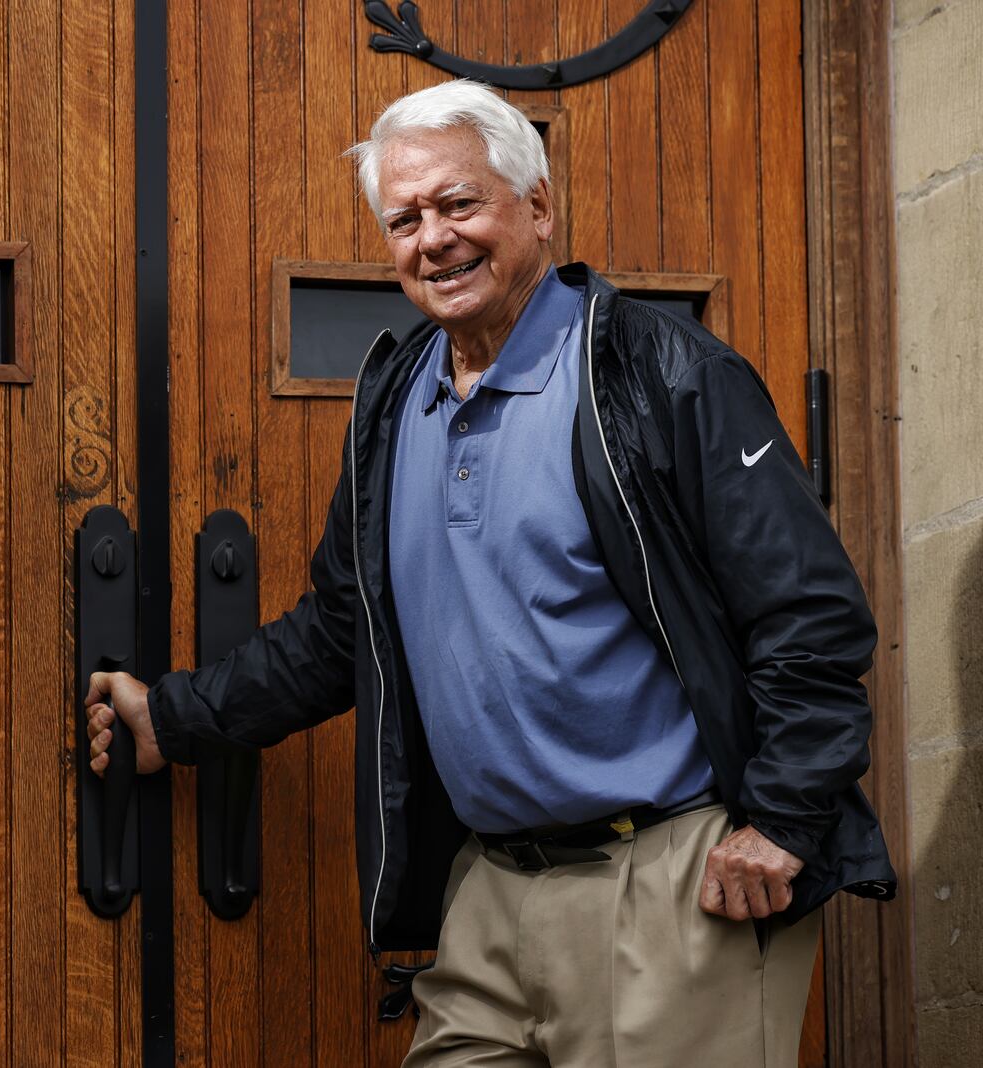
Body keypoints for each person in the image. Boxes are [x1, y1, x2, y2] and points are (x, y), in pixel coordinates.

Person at [85, 80, 895, 1067]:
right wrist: (176, 722)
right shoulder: (396, 403)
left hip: (672, 884)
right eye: (404, 218)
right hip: (488, 893)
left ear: (537, 207)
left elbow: (807, 610)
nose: (433, 238)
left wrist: (782, 820)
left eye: (459, 204)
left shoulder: (659, 372)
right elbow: (344, 629)